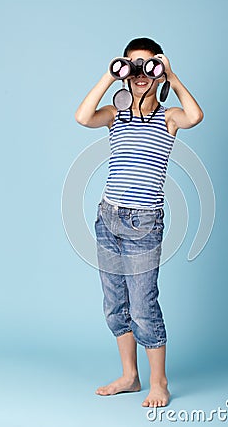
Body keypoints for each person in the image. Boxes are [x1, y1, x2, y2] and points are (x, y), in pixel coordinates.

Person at [75, 38, 204, 408]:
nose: (139, 72)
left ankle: (158, 382)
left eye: (147, 65)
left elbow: (194, 116)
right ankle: (130, 377)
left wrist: (172, 78)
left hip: (144, 224)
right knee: (115, 303)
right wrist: (110, 72)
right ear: (124, 73)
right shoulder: (117, 116)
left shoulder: (169, 117)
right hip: (107, 218)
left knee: (143, 304)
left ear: (157, 70)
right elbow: (83, 117)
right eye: (132, 65)